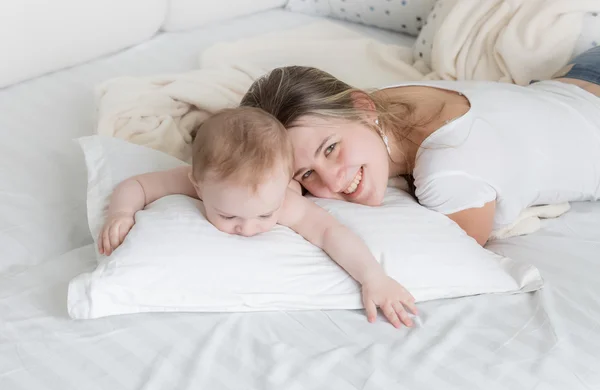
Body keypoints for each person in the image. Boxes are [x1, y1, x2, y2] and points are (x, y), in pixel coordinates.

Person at [239, 46, 600, 246]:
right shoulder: (384, 102)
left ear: (362, 107)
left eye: (331, 149)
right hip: (579, 75)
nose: (332, 183)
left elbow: (457, 253)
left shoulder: (447, 168)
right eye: (306, 174)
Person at [98, 107, 418, 328]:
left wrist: (374, 277)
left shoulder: (285, 200)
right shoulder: (197, 179)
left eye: (265, 214)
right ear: (198, 184)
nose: (249, 228)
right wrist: (122, 213)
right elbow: (137, 185)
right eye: (228, 215)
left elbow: (329, 232)